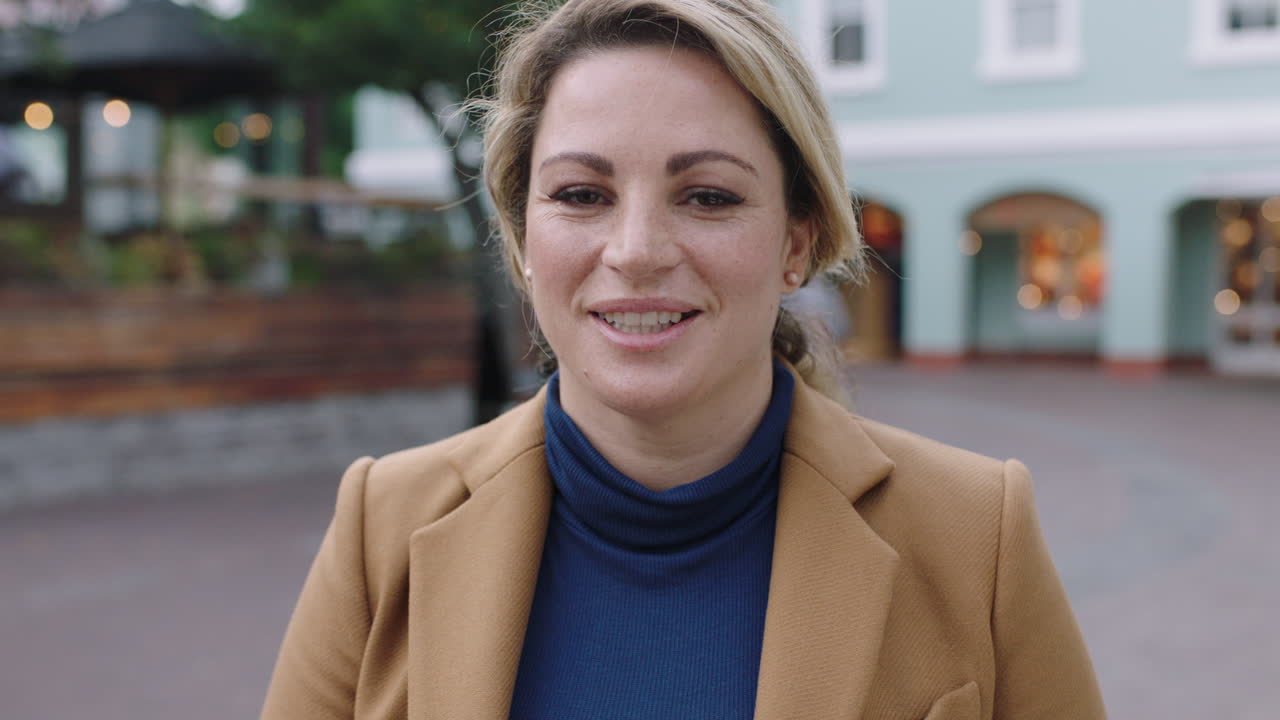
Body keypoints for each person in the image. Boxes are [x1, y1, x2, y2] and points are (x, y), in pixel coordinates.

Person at [261, 1, 1106, 718]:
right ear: (523, 237)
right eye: (582, 195)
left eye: (708, 196)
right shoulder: (385, 526)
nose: (634, 251)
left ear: (796, 243)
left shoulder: (977, 534)